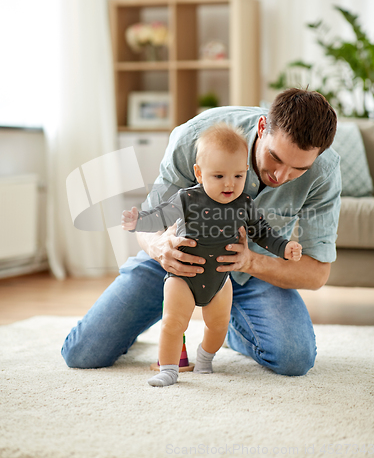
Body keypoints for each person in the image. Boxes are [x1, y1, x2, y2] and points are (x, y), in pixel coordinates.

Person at [61, 88, 341, 379]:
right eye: (275, 158)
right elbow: (149, 223)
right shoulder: (197, 136)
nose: (281, 176)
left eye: (299, 169)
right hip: (177, 265)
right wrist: (160, 248)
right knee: (83, 353)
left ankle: (231, 328)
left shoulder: (324, 171)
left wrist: (249, 262)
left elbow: (317, 274)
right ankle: (158, 325)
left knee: (294, 359)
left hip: (251, 273)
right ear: (262, 127)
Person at [121, 123, 302, 387]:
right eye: (219, 176)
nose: (230, 184)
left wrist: (284, 247)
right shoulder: (186, 199)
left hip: (219, 280)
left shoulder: (244, 205)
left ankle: (205, 358)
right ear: (199, 173)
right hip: (183, 276)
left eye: (238, 176)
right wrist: (138, 221)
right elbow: (159, 216)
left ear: (245, 173)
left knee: (218, 326)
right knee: (173, 324)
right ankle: (169, 370)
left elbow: (263, 233)